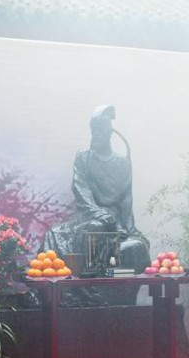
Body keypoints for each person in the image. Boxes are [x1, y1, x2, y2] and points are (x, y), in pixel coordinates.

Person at [41, 105, 150, 274]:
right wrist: (99, 213)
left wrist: (131, 230)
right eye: (93, 131)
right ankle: (92, 274)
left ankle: (109, 273)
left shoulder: (123, 164)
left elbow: (126, 203)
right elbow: (81, 190)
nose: (95, 136)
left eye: (99, 132)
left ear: (109, 133)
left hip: (116, 224)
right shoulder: (83, 158)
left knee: (137, 246)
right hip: (91, 218)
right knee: (95, 227)